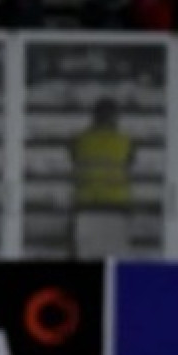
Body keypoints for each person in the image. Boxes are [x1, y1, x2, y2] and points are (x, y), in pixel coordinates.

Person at [70, 96, 134, 259]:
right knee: (113, 259)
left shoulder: (80, 140)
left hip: (86, 206)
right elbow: (130, 162)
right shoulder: (125, 141)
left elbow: (74, 158)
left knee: (85, 255)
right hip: (116, 205)